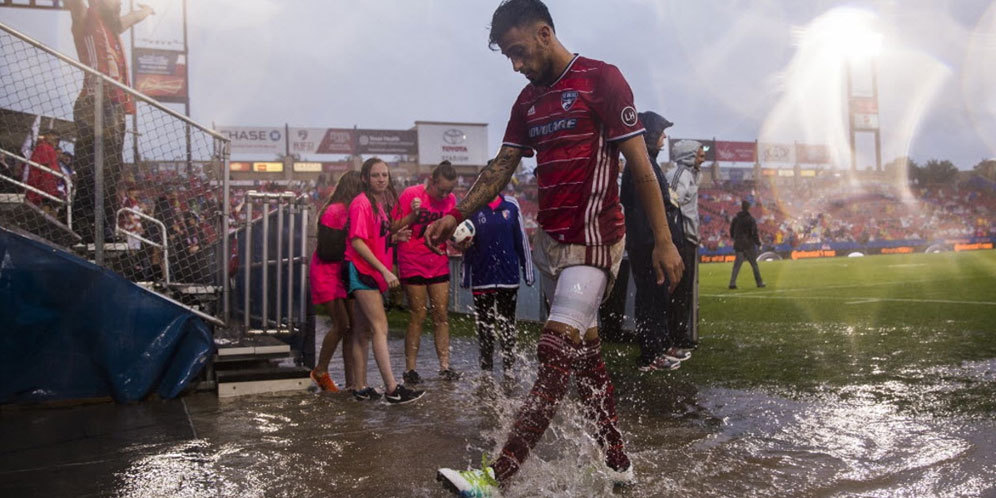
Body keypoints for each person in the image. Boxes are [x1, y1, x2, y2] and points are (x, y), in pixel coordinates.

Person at [430, 1, 684, 493]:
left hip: (594, 243)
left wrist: (664, 242)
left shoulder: (602, 80)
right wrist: (456, 214)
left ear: (545, 33)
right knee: (586, 364)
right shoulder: (527, 102)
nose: (516, 64)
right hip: (550, 246)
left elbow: (641, 166)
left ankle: (493, 479)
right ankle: (618, 465)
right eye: (508, 56)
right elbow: (502, 166)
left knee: (552, 350)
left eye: (519, 51)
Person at [68, 0, 154, 243]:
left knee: (110, 173)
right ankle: (85, 226)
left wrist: (146, 11)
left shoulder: (112, 28)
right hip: (93, 103)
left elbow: (130, 18)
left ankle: (104, 228)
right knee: (91, 171)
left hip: (115, 107)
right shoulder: (85, 19)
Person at [345, 157, 424, 404]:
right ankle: (392, 389)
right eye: (376, 175)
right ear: (365, 179)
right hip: (362, 271)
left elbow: (380, 234)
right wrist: (386, 271)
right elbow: (357, 241)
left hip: (369, 270)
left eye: (384, 175)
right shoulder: (361, 204)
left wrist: (396, 236)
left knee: (362, 331)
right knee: (380, 327)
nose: (381, 179)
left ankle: (360, 387)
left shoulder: (378, 205)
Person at [620, 112, 690, 372]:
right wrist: (655, 245)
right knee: (650, 299)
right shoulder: (640, 166)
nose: (664, 138)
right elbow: (639, 211)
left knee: (658, 298)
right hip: (647, 246)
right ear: (649, 135)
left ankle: (661, 345)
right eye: (661, 133)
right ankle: (650, 355)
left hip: (651, 244)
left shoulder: (648, 163)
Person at [394, 161, 460, 384]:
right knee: (418, 313)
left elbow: (450, 231)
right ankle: (410, 368)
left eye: (449, 190)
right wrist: (413, 215)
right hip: (412, 259)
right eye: (441, 189)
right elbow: (394, 225)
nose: (445, 194)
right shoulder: (411, 194)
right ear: (432, 181)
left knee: (441, 314)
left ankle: (445, 366)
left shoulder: (451, 201)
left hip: (438, 260)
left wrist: (460, 242)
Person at [459, 188, 534, 374]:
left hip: (508, 278)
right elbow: (464, 244)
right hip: (482, 278)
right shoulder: (473, 208)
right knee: (485, 327)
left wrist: (528, 271)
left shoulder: (511, 205)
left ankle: (509, 368)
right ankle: (487, 371)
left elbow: (521, 239)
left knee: (508, 325)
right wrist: (465, 275)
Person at [308, 171, 364, 393]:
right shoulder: (335, 211)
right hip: (327, 271)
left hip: (341, 272)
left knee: (351, 327)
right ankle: (320, 370)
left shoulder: (350, 209)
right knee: (342, 324)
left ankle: (351, 383)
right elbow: (327, 250)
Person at [665, 139, 707, 356]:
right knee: (677, 291)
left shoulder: (689, 174)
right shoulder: (679, 174)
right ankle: (673, 337)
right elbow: (671, 206)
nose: (703, 157)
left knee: (684, 292)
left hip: (688, 240)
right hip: (679, 242)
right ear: (688, 155)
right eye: (699, 154)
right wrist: (674, 238)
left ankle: (679, 335)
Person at [729, 200, 766, 289]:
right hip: (748, 245)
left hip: (738, 244)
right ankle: (759, 283)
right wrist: (758, 243)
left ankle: (732, 283)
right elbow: (754, 233)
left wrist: (735, 238)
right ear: (749, 208)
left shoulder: (736, 218)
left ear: (741, 207)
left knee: (737, 265)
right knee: (754, 264)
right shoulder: (750, 219)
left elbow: (731, 230)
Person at [25, 129, 62, 216]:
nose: (56, 142)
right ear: (48, 136)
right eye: (55, 139)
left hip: (49, 182)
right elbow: (45, 164)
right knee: (46, 203)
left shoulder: (50, 148)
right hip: (42, 181)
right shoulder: (44, 146)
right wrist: (58, 172)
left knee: (52, 204)